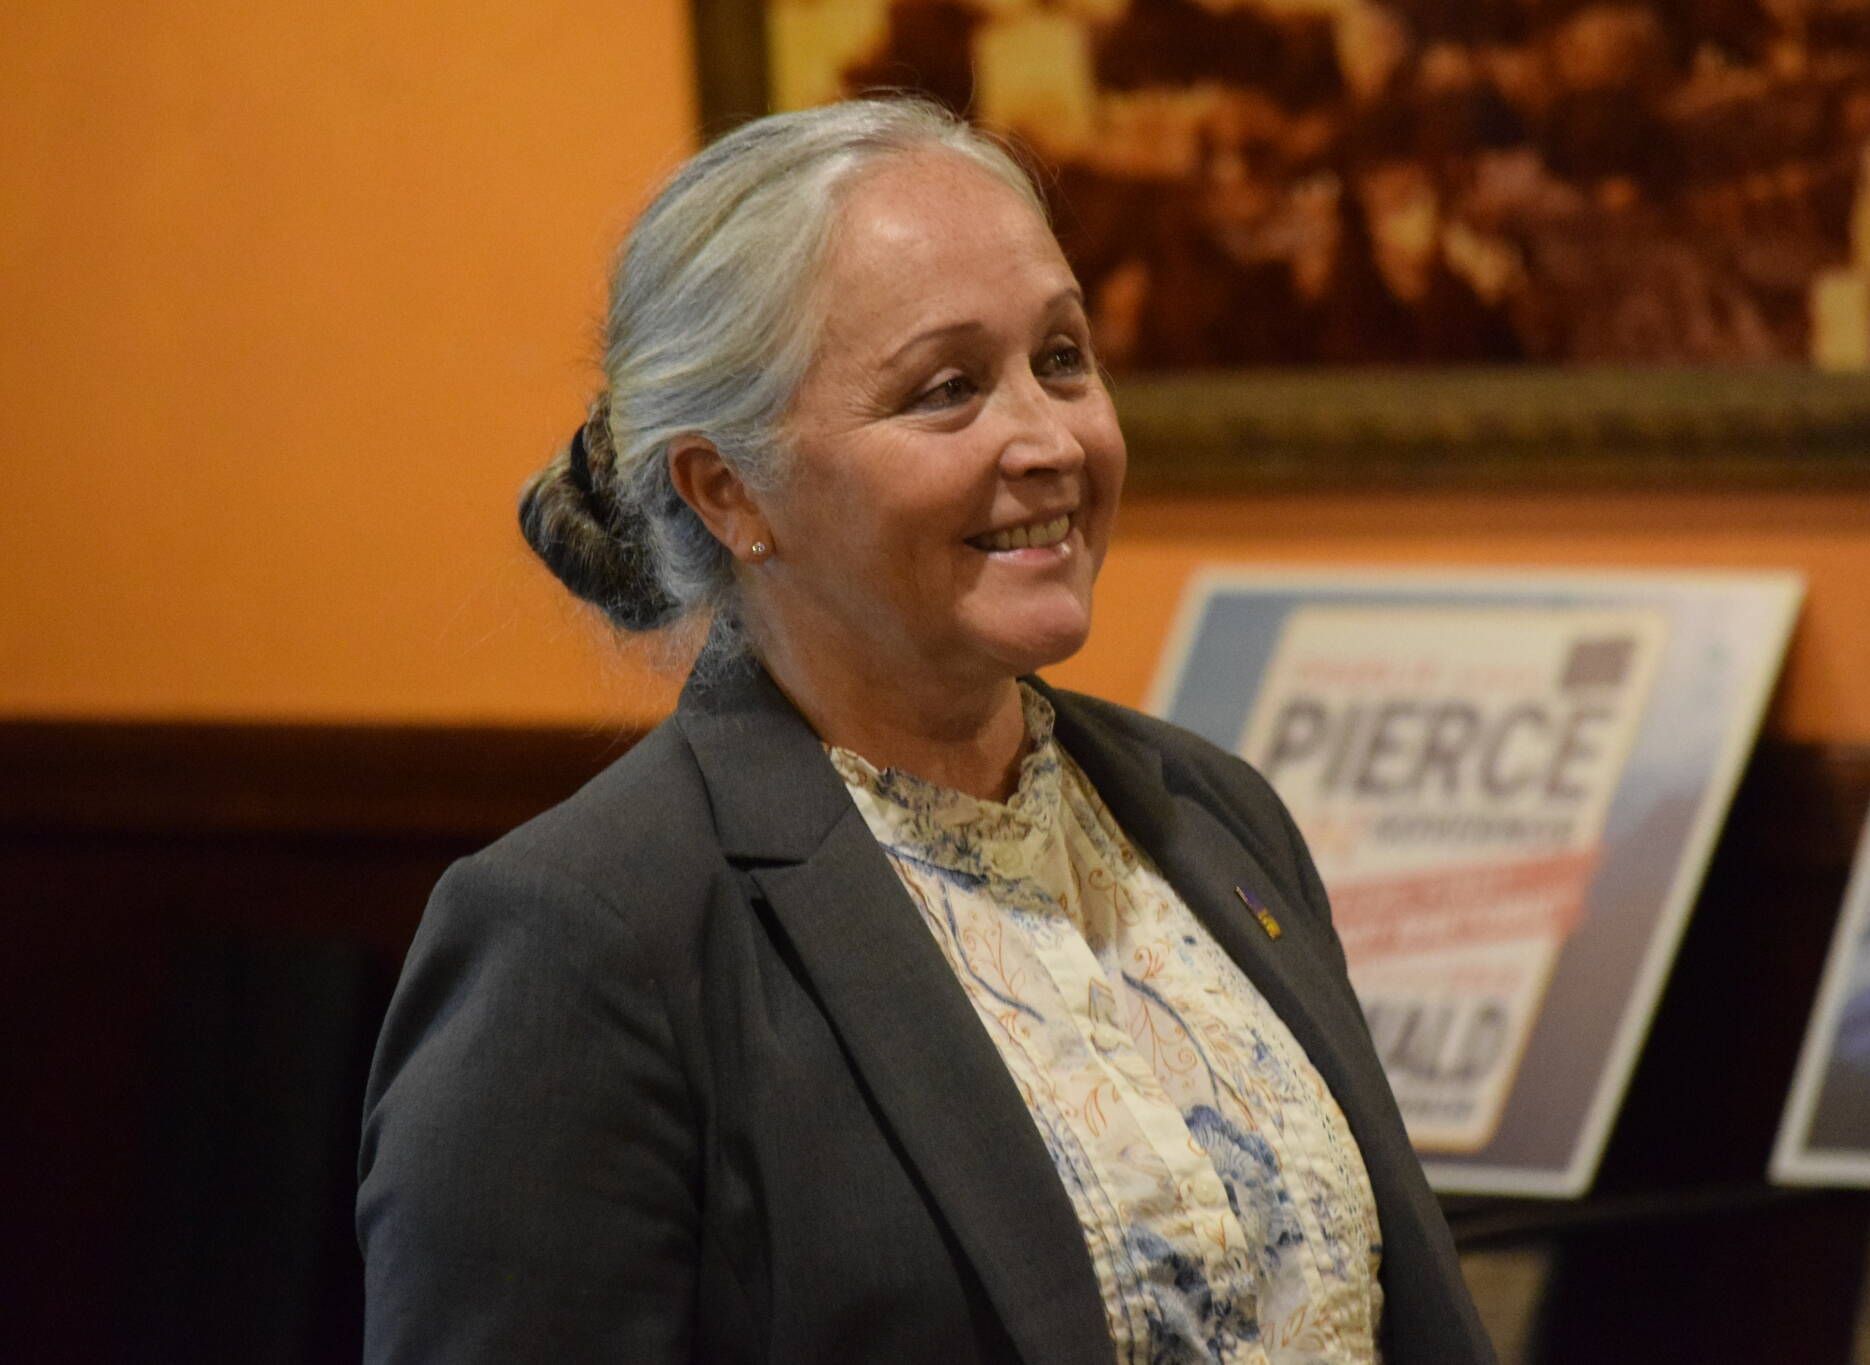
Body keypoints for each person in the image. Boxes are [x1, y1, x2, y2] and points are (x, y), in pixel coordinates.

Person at [356, 97, 1495, 1365]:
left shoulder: (1210, 812)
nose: (1050, 438)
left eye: (1062, 358)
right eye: (947, 390)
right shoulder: (582, 936)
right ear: (727, 488)